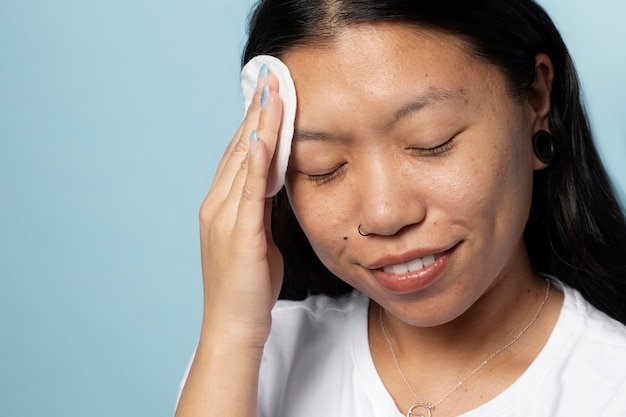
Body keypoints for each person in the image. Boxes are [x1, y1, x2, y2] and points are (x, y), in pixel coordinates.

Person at [175, 1, 626, 416]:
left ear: (535, 100)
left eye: (432, 141)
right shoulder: (248, 366)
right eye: (322, 168)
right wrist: (229, 335)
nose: (384, 214)